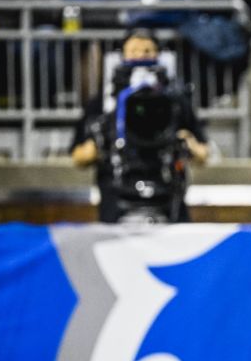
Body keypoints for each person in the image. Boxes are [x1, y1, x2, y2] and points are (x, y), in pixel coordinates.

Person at [70, 28, 209, 223]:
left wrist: (187, 142)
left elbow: (203, 154)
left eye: (147, 51)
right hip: (117, 202)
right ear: (122, 55)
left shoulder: (175, 102)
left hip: (168, 200)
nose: (141, 57)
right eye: (134, 51)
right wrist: (101, 142)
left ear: (158, 55)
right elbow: (78, 157)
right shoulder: (103, 104)